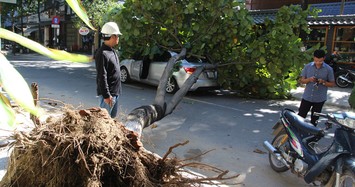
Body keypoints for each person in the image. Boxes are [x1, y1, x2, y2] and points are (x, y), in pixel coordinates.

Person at [298, 49, 335, 126]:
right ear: (313, 58)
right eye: (316, 61)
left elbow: (332, 84)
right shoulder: (307, 66)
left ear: (324, 58)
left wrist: (323, 82)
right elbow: (301, 80)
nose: (318, 63)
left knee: (314, 120)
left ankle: (311, 135)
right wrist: (309, 79)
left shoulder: (329, 69)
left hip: (319, 98)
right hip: (307, 97)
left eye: (320, 61)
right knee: (300, 117)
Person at [95, 22, 122, 118]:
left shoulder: (112, 51)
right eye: (117, 36)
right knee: (104, 122)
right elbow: (102, 76)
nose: (118, 38)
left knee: (111, 120)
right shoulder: (102, 53)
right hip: (108, 96)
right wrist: (106, 95)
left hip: (114, 93)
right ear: (113, 36)